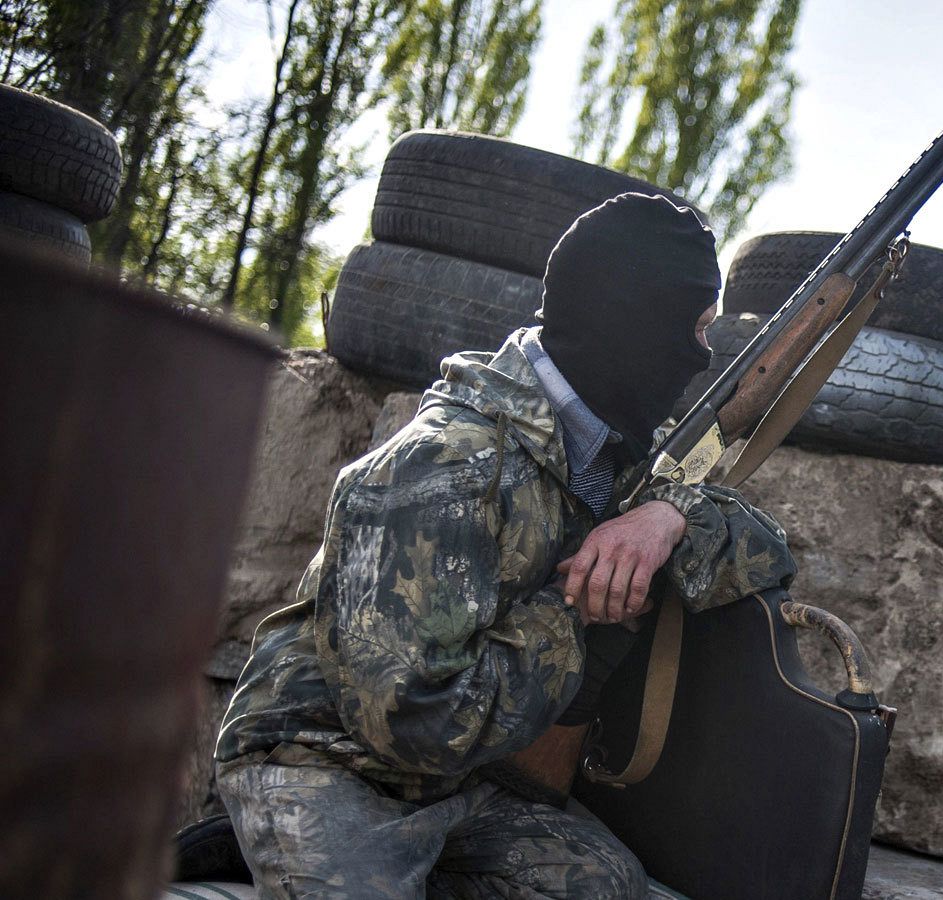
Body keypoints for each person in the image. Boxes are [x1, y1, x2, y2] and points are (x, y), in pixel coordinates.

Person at [214, 193, 797, 898]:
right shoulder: (435, 468)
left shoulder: (615, 440)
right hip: (328, 763)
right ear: (637, 324)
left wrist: (665, 518)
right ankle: (251, 839)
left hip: (464, 784)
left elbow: (768, 551)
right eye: (697, 328)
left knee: (608, 886)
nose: (700, 357)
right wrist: (581, 603)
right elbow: (413, 724)